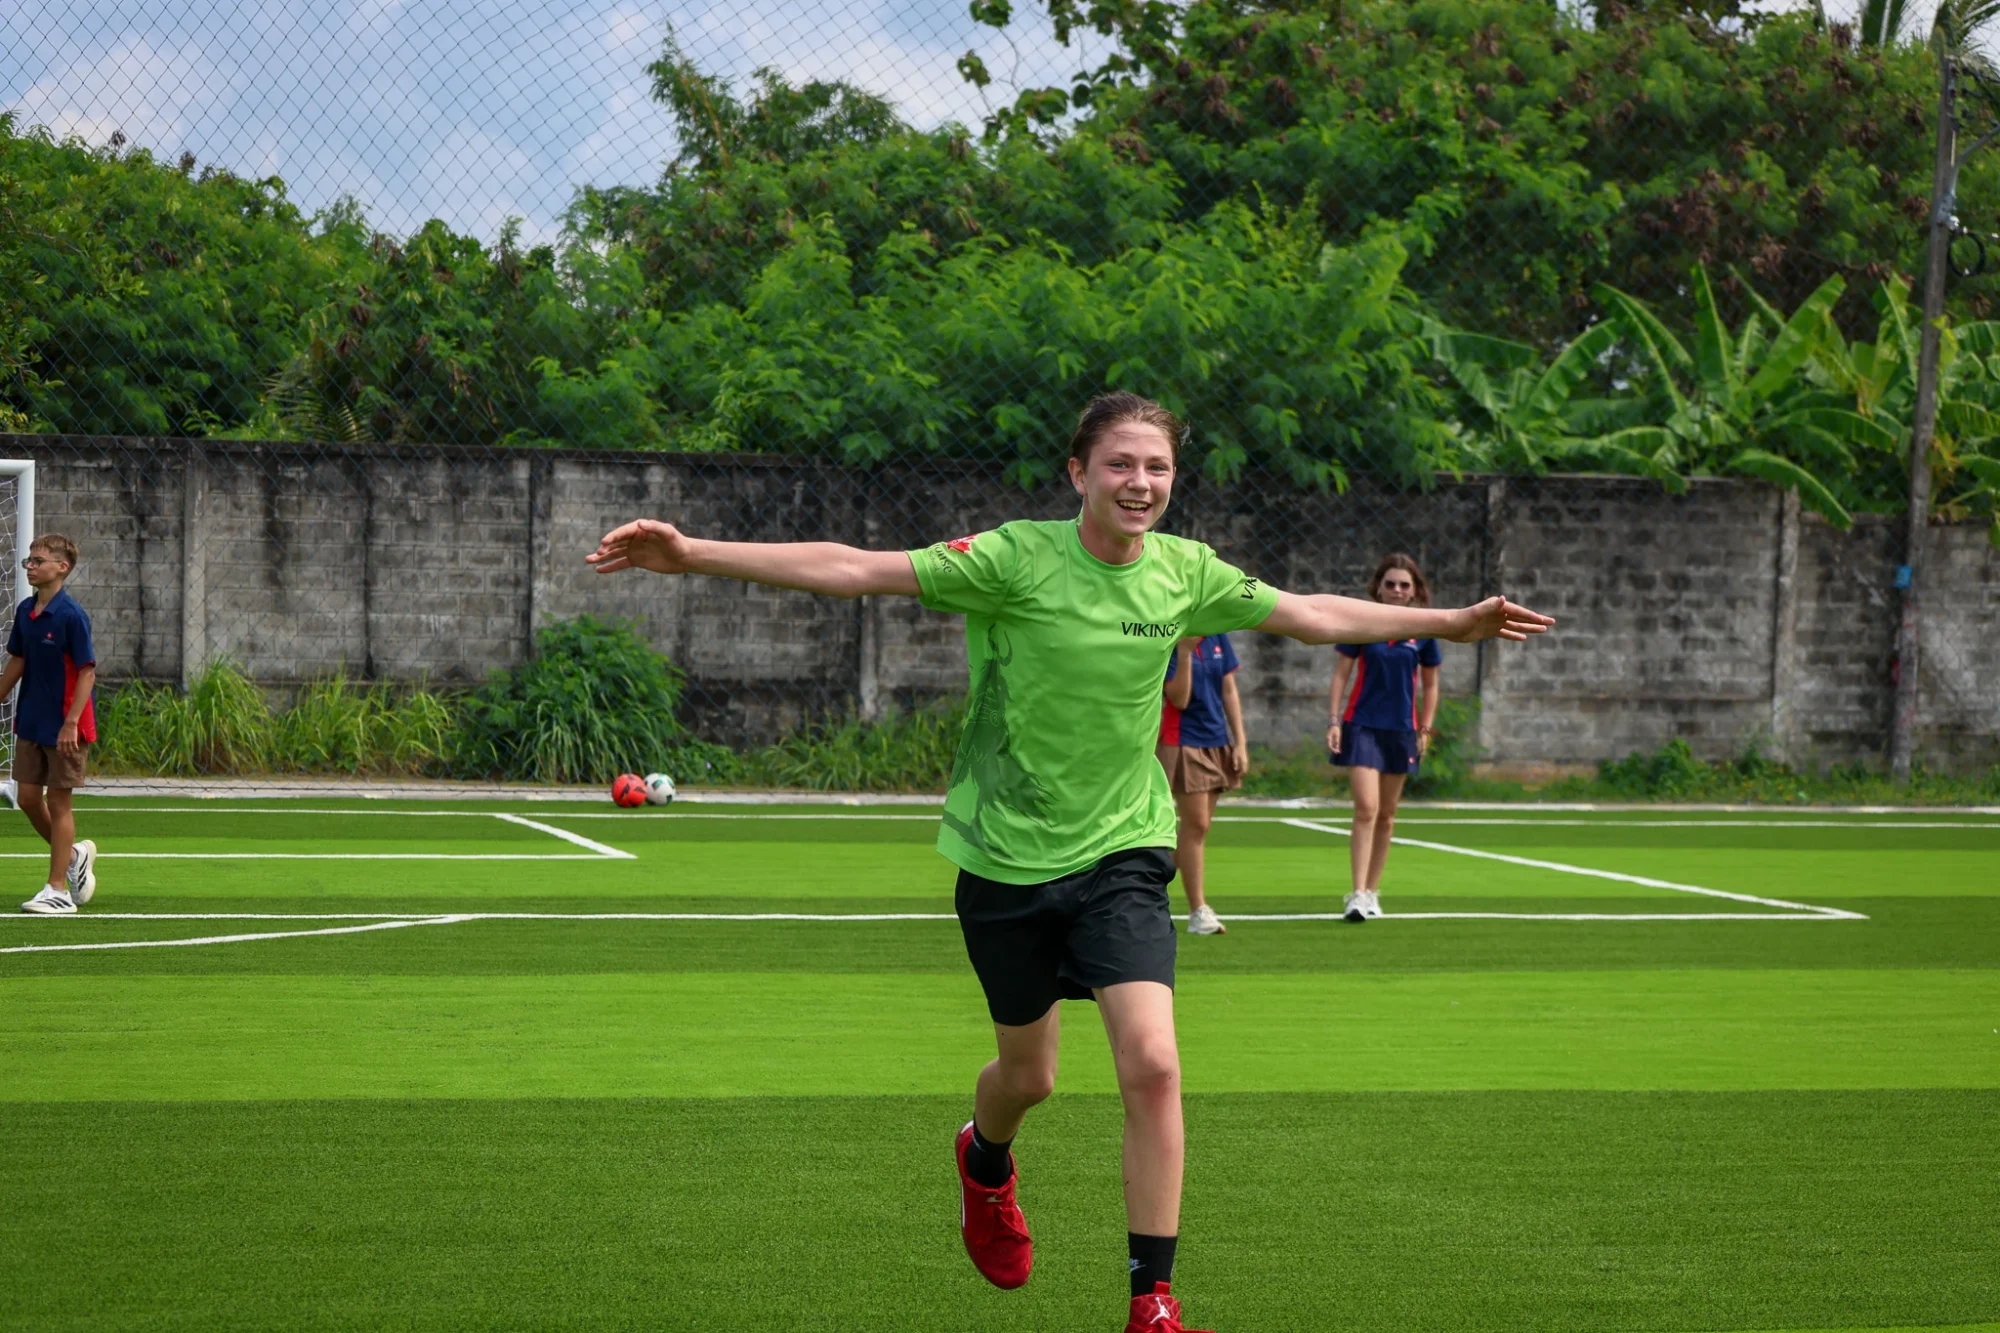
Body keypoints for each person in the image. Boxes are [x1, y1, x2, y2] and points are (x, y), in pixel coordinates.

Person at [586, 393, 1551, 1333]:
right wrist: (691, 555)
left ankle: (1153, 1304)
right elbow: (854, 567)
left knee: (1156, 1062)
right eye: (1122, 464)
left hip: (1124, 851)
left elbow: (1308, 613)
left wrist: (1451, 621)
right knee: (1029, 1076)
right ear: (1079, 472)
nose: (1141, 482)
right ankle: (984, 1159)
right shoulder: (1013, 558)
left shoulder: (1186, 572)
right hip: (1005, 857)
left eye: (1158, 466)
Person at [1326, 553, 1440, 924]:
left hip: (1402, 731)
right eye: (1390, 584)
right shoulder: (1362, 623)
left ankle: (1373, 892)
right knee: (1366, 808)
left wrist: (1425, 728)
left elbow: (1431, 684)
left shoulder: (1423, 631)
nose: (1396, 590)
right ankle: (1356, 894)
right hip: (1361, 726)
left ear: (1415, 591)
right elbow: (1341, 675)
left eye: (1404, 585)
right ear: (1378, 587)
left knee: (1387, 816)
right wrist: (1334, 720)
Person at [7, 534, 99, 914]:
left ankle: (58, 889)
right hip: (31, 720)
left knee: (58, 802)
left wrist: (70, 724)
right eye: (29, 560)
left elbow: (87, 672)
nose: (30, 565)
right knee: (27, 799)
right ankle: (74, 854)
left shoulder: (71, 616)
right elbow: (17, 661)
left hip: (67, 727)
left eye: (38, 560)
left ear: (62, 568)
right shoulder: (27, 611)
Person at [1158, 634, 1247, 936]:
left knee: (1199, 828)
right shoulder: (1173, 637)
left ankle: (1144, 884)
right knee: (1196, 824)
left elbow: (1229, 689)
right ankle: (1197, 910)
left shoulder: (1217, 635)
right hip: (1182, 738)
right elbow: (1178, 699)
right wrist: (1184, 651)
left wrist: (1240, 742)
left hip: (1215, 738)